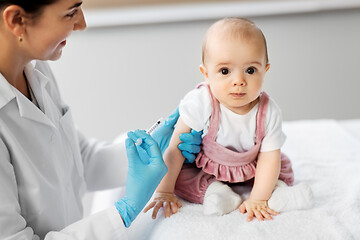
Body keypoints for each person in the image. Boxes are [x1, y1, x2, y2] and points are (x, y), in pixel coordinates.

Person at [0, 0, 203, 239]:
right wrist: (124, 212)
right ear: (17, 20)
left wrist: (159, 148)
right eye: (70, 13)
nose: (82, 23)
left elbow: (77, 159)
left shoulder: (35, 68)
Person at [143, 17, 313, 222]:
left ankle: (278, 193)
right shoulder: (201, 101)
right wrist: (164, 190)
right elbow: (176, 148)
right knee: (181, 174)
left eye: (250, 70)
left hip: (253, 167)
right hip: (208, 167)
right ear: (206, 74)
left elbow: (268, 159)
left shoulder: (269, 111)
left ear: (265, 70)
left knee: (277, 168)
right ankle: (216, 193)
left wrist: (258, 198)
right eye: (225, 71)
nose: (239, 81)